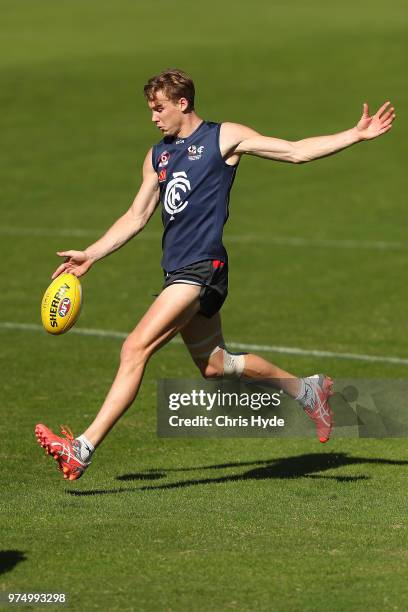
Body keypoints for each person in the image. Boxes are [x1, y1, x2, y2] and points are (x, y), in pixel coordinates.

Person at [35, 69, 395, 480]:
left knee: (134, 349)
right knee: (215, 365)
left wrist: (354, 135)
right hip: (178, 272)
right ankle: (307, 390)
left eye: (159, 109)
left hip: (201, 269)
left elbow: (295, 151)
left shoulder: (223, 137)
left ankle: (82, 447)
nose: (154, 118)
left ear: (182, 103)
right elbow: (136, 216)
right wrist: (92, 255)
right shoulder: (158, 156)